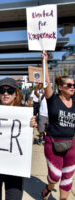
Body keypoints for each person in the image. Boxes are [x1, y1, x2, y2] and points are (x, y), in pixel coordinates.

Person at [0, 77, 35, 200]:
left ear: (16, 94)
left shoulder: (24, 115)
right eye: (2, 90)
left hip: (15, 167)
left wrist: (31, 127)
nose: (6, 94)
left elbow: (28, 143)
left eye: (10, 91)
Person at [41, 52, 75, 200]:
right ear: (60, 87)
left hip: (71, 143)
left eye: (74, 85)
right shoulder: (52, 99)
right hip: (53, 142)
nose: (72, 87)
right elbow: (47, 83)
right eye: (69, 85)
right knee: (55, 175)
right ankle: (49, 187)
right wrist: (45, 62)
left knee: (68, 177)